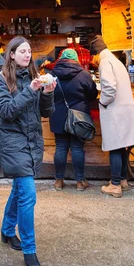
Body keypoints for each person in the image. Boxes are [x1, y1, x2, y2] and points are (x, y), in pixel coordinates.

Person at [0, 36, 55, 266]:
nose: (27, 55)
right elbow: (6, 111)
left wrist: (47, 93)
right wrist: (30, 90)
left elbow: (45, 113)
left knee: (19, 189)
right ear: (11, 54)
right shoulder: (0, 80)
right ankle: (29, 249)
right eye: (22, 51)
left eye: (29, 51)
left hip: (32, 141)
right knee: (28, 194)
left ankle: (7, 231)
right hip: (12, 142)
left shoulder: (35, 77)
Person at [90, 35, 134, 198]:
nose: (94, 61)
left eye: (93, 57)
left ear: (97, 53)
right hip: (124, 109)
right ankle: (123, 180)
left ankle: (115, 184)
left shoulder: (105, 62)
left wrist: (103, 102)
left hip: (115, 110)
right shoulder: (116, 61)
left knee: (115, 147)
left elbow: (110, 88)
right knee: (122, 146)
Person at [50, 49, 98, 191]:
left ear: (61, 59)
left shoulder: (52, 74)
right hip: (79, 117)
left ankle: (58, 181)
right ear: (76, 59)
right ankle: (79, 182)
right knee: (77, 148)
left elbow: (46, 94)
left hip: (57, 115)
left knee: (60, 147)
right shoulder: (84, 75)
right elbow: (92, 94)